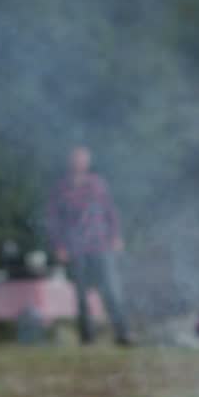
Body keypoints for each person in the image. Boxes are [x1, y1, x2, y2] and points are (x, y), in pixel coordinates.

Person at [45, 146, 133, 346]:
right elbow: (53, 219)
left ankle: (122, 333)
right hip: (75, 246)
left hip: (101, 243)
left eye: (83, 158)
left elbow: (110, 210)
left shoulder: (98, 184)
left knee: (111, 289)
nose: (80, 162)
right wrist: (58, 245)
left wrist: (116, 235)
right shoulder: (61, 187)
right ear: (70, 161)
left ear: (88, 162)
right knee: (81, 294)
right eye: (76, 158)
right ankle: (87, 337)